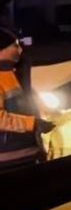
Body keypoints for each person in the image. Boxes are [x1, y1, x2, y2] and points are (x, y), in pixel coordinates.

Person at [0, 28, 54, 168]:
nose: (20, 50)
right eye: (15, 45)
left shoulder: (13, 73)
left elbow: (25, 105)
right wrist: (33, 124)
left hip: (27, 152)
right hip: (9, 158)